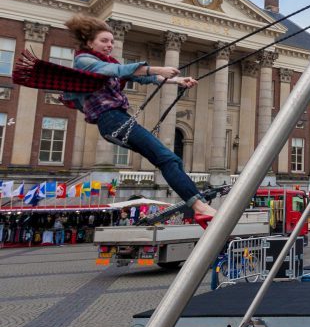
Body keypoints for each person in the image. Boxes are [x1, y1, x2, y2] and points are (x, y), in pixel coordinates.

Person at [61, 15, 216, 221]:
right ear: (90, 43)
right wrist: (159, 68)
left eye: (112, 41)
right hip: (112, 119)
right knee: (167, 158)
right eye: (104, 41)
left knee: (171, 160)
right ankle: (199, 207)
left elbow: (140, 76)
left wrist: (177, 80)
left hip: (118, 119)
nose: (109, 45)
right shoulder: (84, 61)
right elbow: (117, 70)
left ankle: (199, 205)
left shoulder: (106, 62)